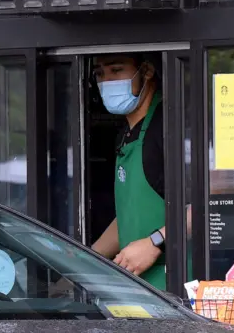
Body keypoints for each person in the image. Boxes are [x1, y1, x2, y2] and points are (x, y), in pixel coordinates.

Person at [90, 52, 191, 291]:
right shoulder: (126, 133)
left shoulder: (169, 127)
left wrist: (155, 243)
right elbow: (129, 216)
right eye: (100, 74)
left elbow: (211, 205)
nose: (107, 82)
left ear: (146, 71)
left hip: (176, 288)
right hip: (140, 291)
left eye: (116, 70)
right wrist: (86, 259)